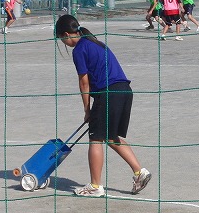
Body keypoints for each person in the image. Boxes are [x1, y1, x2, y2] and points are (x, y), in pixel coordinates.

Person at [55, 14, 151, 197]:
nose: (63, 43)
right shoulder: (96, 42)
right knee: (111, 136)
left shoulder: (79, 50)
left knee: (95, 139)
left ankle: (95, 186)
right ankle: (140, 173)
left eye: (61, 39)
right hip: (124, 91)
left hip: (108, 94)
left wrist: (87, 110)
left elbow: (84, 83)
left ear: (67, 34)